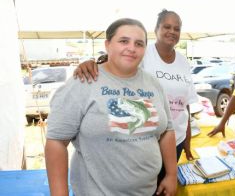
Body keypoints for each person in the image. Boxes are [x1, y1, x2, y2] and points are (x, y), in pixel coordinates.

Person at [45, 18, 177, 196]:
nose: (131, 48)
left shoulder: (153, 83)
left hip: (147, 191)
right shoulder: (84, 82)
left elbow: (167, 130)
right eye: (123, 41)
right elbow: (56, 141)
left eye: (139, 43)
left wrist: (171, 174)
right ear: (107, 45)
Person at [73, 10, 198, 178]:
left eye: (177, 28)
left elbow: (186, 104)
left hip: (176, 139)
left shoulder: (183, 62)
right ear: (156, 29)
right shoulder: (142, 52)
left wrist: (187, 140)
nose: (172, 32)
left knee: (165, 185)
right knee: (141, 185)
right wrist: (91, 63)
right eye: (167, 26)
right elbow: (113, 63)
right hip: (145, 140)